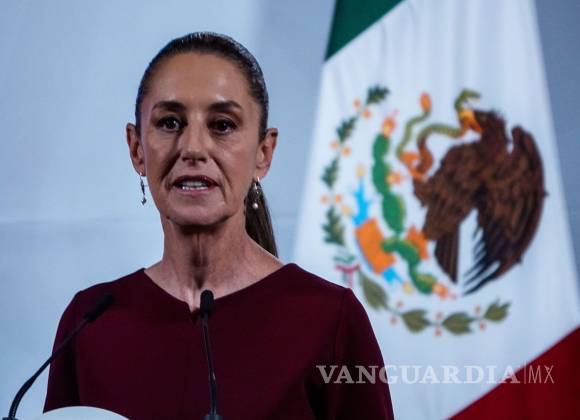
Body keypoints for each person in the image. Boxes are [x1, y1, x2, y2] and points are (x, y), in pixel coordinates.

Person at [44, 32, 395, 420]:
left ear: (264, 152)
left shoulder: (331, 320)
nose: (193, 148)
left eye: (222, 125)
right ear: (137, 148)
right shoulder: (88, 322)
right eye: (170, 122)